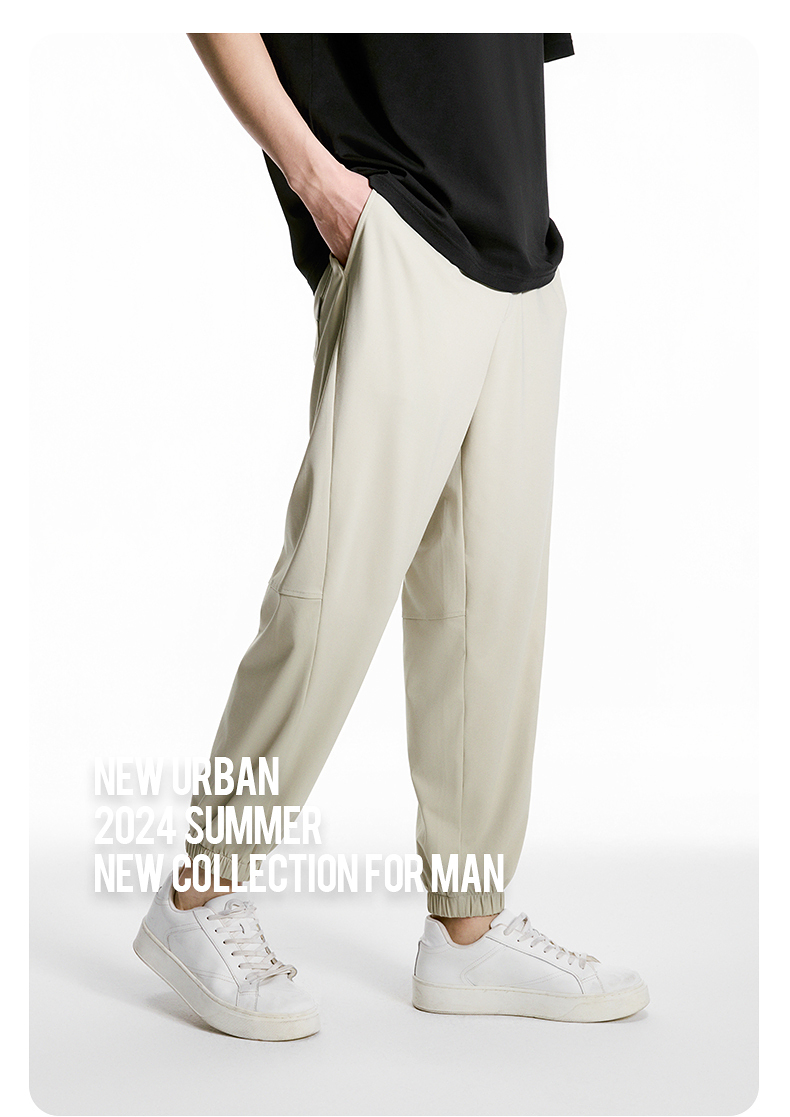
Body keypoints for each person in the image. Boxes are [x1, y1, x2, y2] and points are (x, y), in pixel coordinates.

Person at [134, 32, 649, 1041]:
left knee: (489, 615)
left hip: (520, 249)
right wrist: (317, 182)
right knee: (331, 593)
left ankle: (467, 930)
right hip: (396, 221)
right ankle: (198, 893)